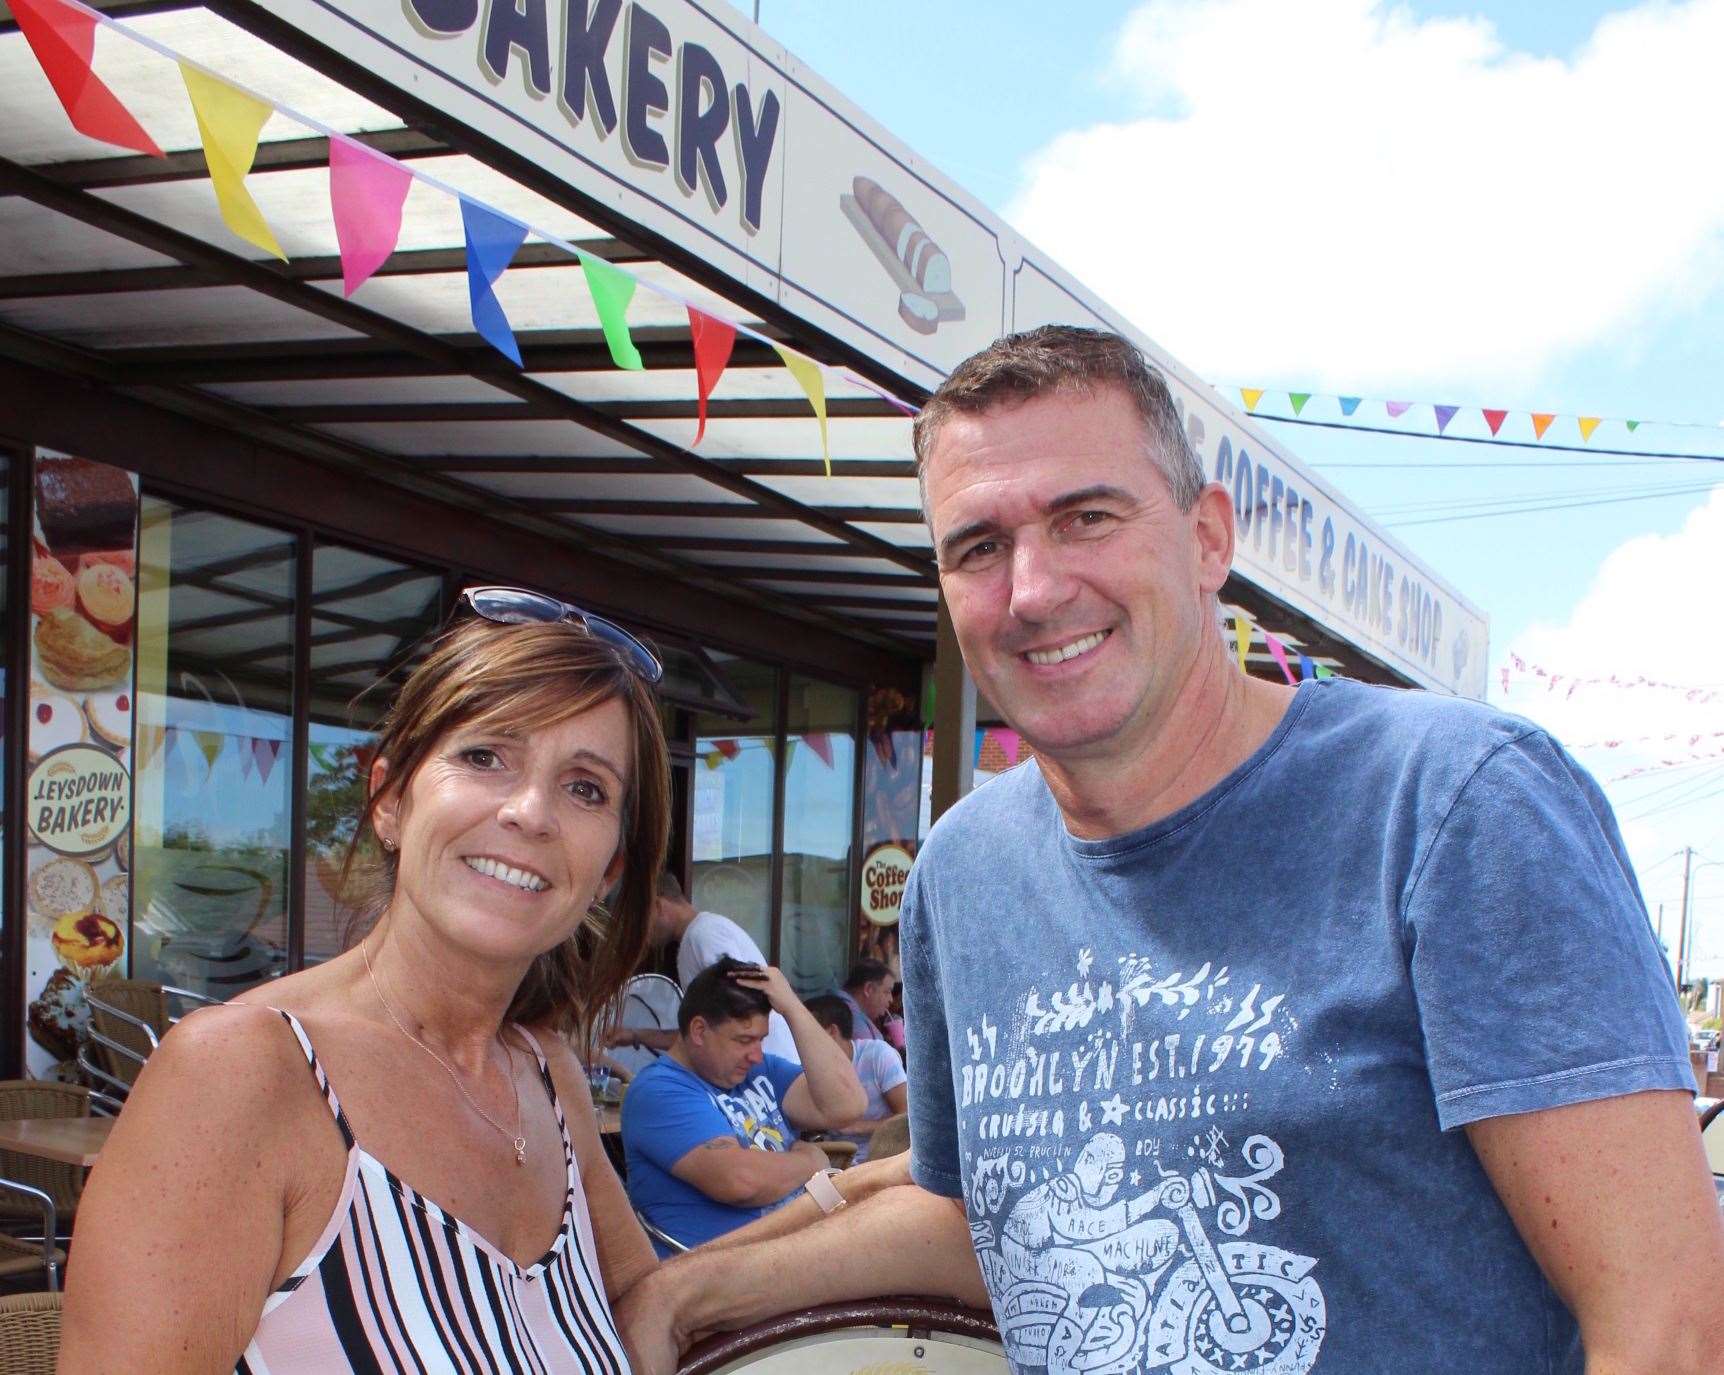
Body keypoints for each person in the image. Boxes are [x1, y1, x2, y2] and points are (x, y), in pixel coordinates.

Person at [615, 326, 1724, 1375]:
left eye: (1086, 517)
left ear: (1205, 538)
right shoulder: (962, 872)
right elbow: (983, 1216)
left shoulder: (1449, 802)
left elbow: (1663, 1326)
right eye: (979, 547)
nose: (1035, 590)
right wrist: (696, 1291)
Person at [60, 589, 676, 1372]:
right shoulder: (242, 1073)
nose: (531, 811)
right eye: (485, 756)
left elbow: (655, 1302)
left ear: (608, 871)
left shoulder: (549, 1080)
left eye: (585, 787)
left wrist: (847, 1205)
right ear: (389, 798)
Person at [621, 957, 865, 1253]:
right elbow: (740, 1182)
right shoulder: (658, 1090)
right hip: (717, 1271)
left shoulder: (762, 1072)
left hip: (791, 1252)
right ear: (699, 1031)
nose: (756, 1055)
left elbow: (847, 1106)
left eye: (761, 1040)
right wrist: (811, 1161)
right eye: (744, 1039)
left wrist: (792, 1007)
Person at [611, 872, 800, 1063]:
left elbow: (734, 1015)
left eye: (637, 922)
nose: (638, 934)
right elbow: (704, 1029)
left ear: (658, 906)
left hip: (766, 1069)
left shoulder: (703, 935)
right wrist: (635, 1034)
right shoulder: (698, 934)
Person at [805, 993, 908, 1162]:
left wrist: (856, 1128)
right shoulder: (806, 1066)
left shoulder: (878, 1055)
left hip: (880, 1158)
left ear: (831, 1031)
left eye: (806, 1030)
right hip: (832, 1158)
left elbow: (905, 1117)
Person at [832, 958, 894, 1043]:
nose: (891, 999)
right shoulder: (853, 1022)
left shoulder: (838, 1006)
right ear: (869, 989)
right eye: (887, 992)